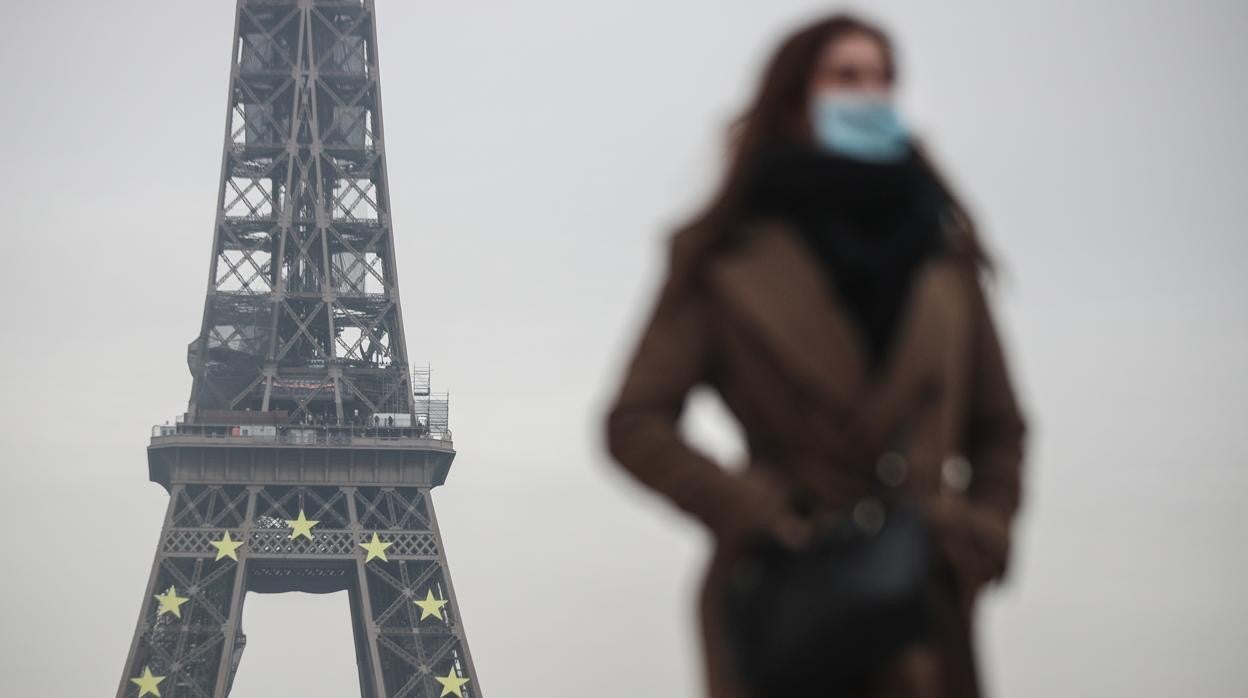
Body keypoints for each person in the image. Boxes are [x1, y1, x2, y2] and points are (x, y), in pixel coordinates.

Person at [602, 13, 1027, 698]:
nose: (871, 94)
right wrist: (760, 515)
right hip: (790, 600)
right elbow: (635, 421)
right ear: (796, 97)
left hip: (921, 594)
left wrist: (978, 536)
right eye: (846, 76)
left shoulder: (944, 258)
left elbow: (1000, 425)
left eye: (884, 78)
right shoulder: (724, 258)